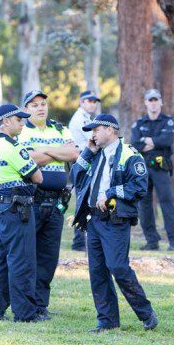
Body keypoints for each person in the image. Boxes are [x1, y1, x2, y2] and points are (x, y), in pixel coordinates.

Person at [72, 113, 159, 333]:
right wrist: (87, 151)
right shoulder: (95, 154)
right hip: (93, 220)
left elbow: (139, 187)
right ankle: (107, 320)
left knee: (118, 267)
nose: (94, 134)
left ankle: (146, 312)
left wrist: (111, 193)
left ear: (111, 130)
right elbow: (75, 176)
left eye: (97, 129)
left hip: (114, 219)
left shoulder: (129, 154)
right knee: (97, 271)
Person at [0, 103, 49, 323]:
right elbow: (37, 177)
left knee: (2, 258)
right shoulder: (13, 147)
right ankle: (25, 313)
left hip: (2, 205)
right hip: (17, 208)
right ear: (6, 121)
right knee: (22, 260)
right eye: (18, 120)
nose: (22, 124)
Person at [18, 89, 80, 316]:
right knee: (28, 256)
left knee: (48, 257)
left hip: (56, 203)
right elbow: (30, 158)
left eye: (43, 103)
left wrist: (44, 150)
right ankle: (26, 304)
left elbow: (74, 153)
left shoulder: (60, 128)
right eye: (34, 105)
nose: (40, 107)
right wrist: (57, 152)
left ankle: (41, 306)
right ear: (26, 110)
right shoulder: (23, 130)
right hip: (32, 200)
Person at [131, 88, 174, 251]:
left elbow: (167, 141)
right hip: (142, 168)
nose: (153, 103)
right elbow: (135, 145)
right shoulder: (139, 123)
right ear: (146, 103)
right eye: (150, 100)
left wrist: (148, 141)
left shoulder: (168, 121)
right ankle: (151, 241)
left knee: (167, 203)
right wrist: (155, 142)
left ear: (161, 102)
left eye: (156, 100)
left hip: (160, 168)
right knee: (144, 205)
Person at [67, 90, 101, 251]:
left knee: (85, 199)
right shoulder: (80, 119)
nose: (93, 104)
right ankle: (79, 242)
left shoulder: (86, 118)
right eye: (89, 101)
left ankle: (80, 241)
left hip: (84, 160)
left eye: (95, 101)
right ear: (81, 102)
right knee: (83, 200)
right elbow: (93, 141)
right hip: (81, 161)